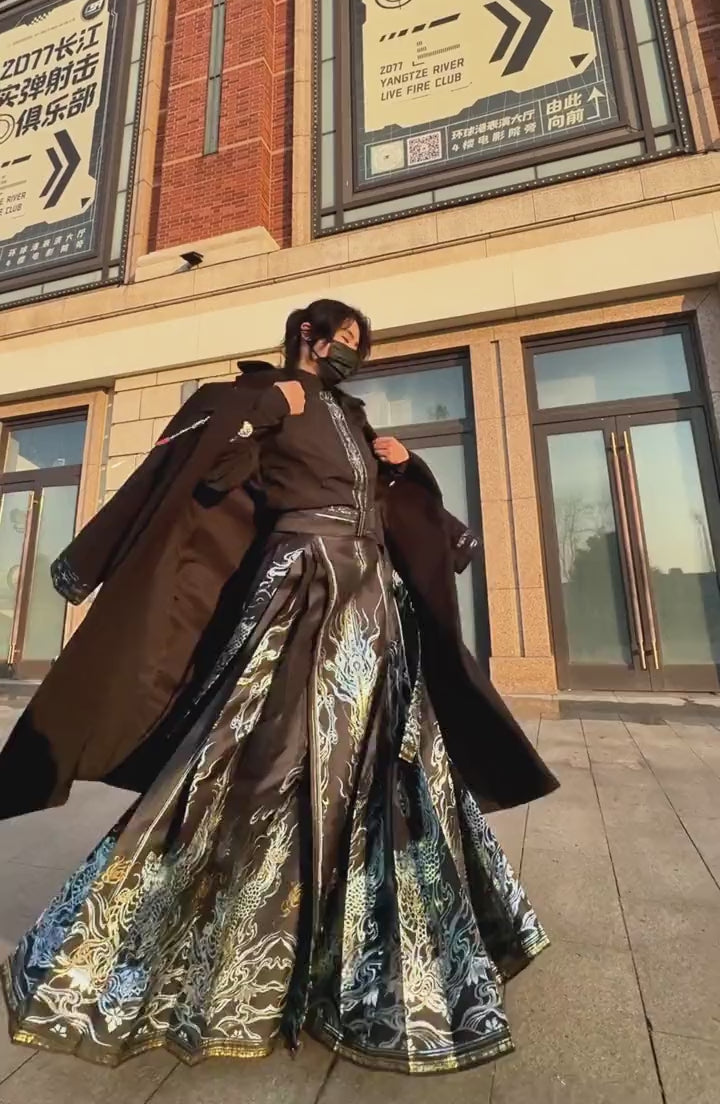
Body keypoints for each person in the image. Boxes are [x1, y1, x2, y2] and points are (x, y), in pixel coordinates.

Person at [0, 299, 558, 1074]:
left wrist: (405, 467)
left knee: (385, 768)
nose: (352, 354)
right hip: (301, 591)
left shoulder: (353, 418)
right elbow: (199, 473)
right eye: (345, 340)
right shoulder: (261, 397)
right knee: (266, 762)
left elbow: (382, 504)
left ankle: (369, 962)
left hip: (374, 604)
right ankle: (218, 958)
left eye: (360, 345)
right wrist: (263, 411)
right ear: (308, 336)